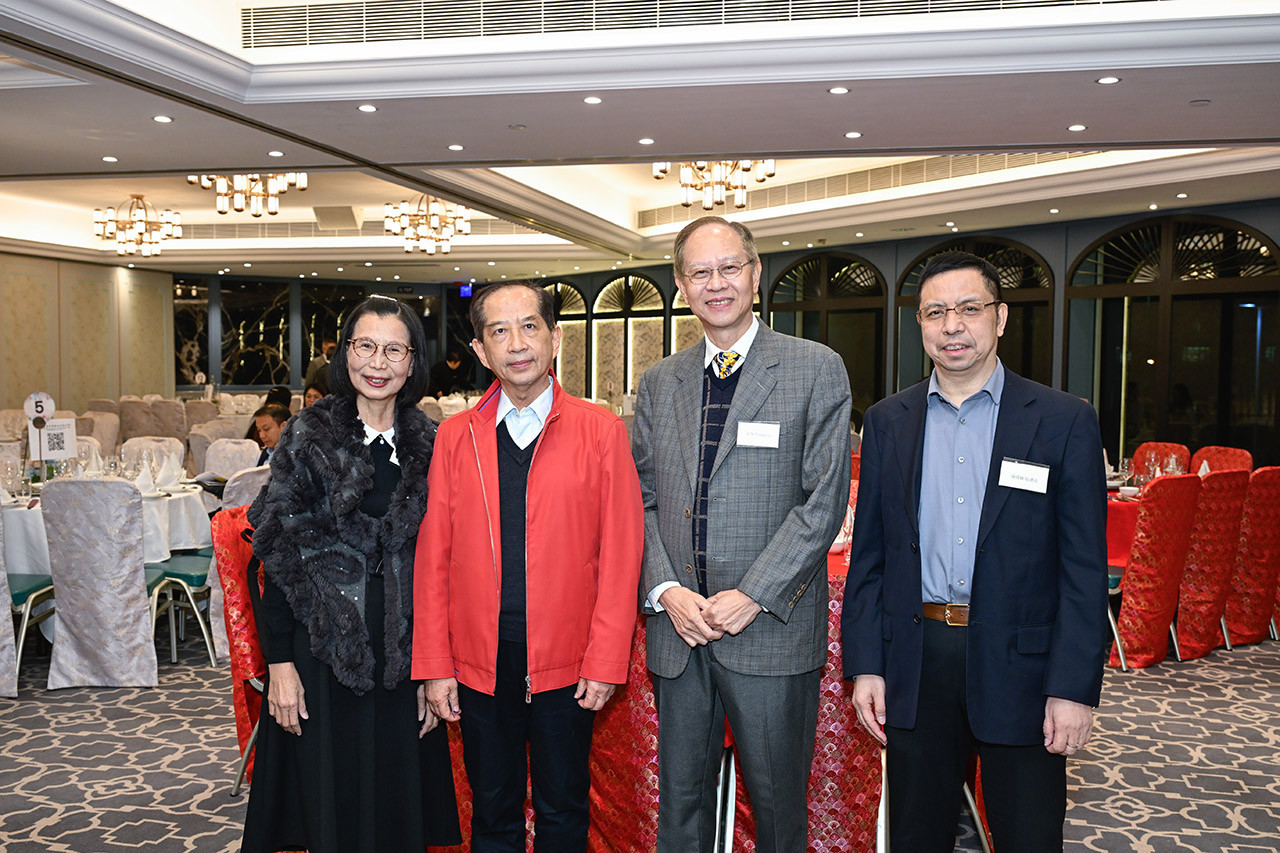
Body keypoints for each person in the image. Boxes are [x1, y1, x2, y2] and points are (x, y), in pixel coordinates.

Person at [841, 250, 1108, 852]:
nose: (952, 325)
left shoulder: (1062, 420)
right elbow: (871, 558)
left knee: (1028, 835)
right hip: (917, 662)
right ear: (920, 324)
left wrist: (1072, 687)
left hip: (1022, 666)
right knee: (917, 835)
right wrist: (867, 665)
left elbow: (1083, 570)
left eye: (969, 308)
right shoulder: (887, 421)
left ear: (1001, 317)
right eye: (935, 312)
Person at [632, 216, 851, 852]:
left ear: (756, 274)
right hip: (680, 630)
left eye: (730, 267)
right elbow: (638, 500)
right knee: (680, 807)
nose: (716, 283)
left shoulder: (814, 368)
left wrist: (752, 594)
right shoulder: (660, 381)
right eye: (700, 272)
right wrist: (666, 591)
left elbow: (823, 502)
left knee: (779, 809)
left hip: (769, 632)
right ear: (681, 285)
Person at [413, 282, 642, 852]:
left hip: (569, 660)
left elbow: (622, 555)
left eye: (530, 327)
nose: (517, 344)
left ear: (555, 338)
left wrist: (605, 659)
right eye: (499, 331)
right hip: (479, 659)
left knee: (563, 808)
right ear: (481, 350)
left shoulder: (601, 431)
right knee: (492, 810)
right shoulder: (455, 437)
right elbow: (434, 557)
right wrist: (436, 665)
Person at [241, 296, 461, 853]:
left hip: (404, 654)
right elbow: (275, 553)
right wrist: (280, 663)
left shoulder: (433, 444)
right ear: (345, 353)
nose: (377, 362)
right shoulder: (306, 436)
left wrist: (434, 665)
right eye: (365, 346)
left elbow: (447, 566)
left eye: (394, 350)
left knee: (396, 807)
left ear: (413, 362)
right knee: (331, 806)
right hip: (322, 652)